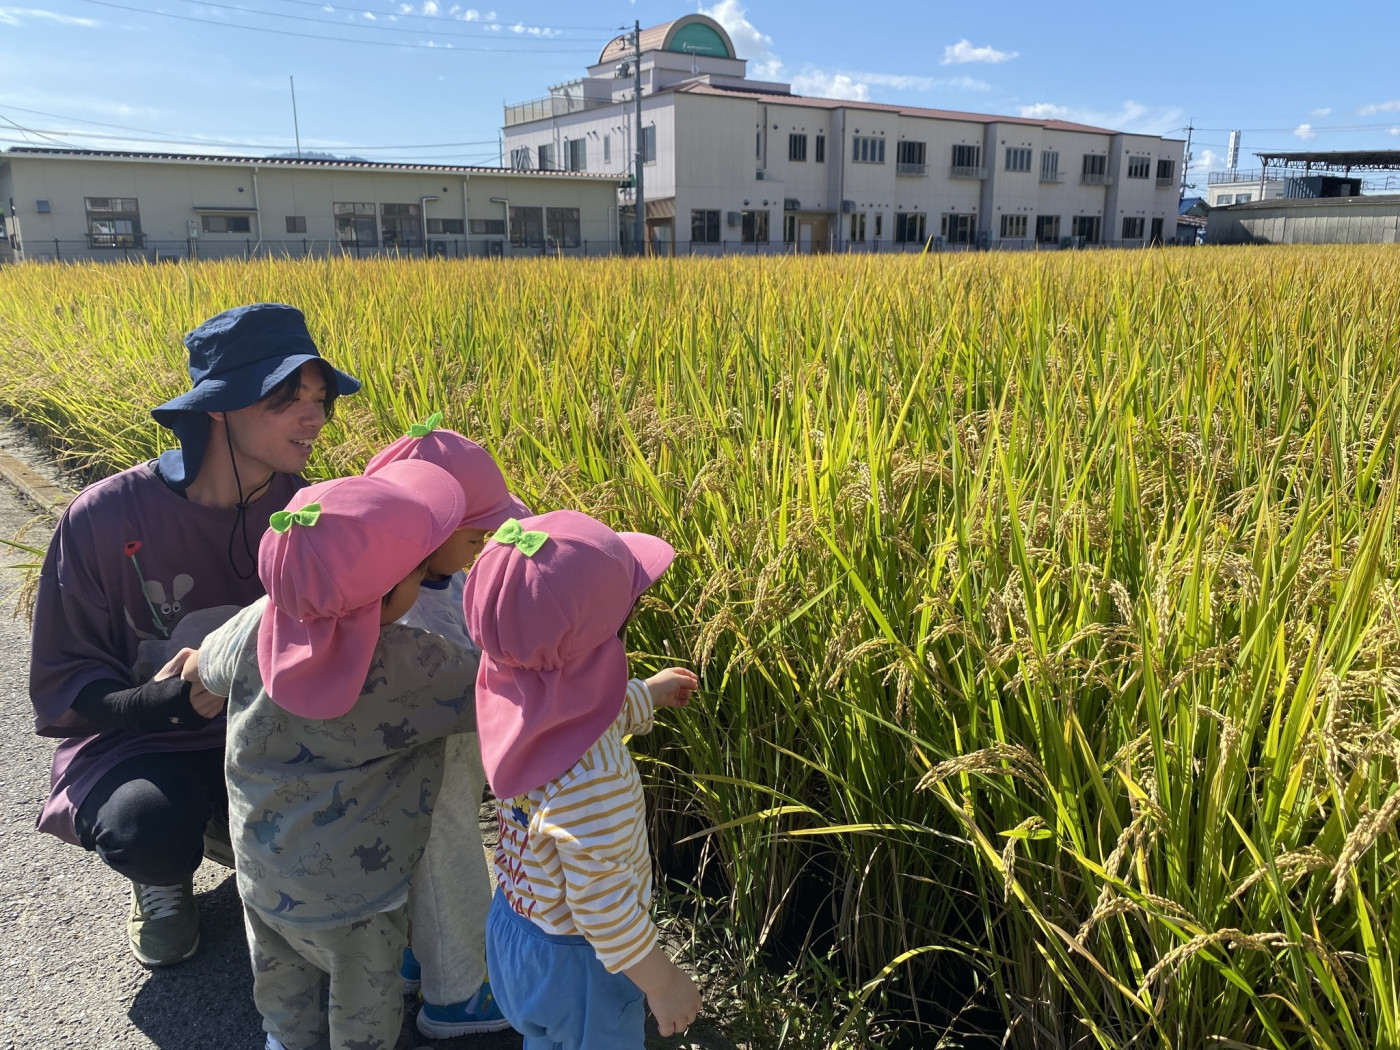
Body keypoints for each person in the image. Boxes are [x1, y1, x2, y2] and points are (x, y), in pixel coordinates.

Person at [27, 302, 360, 967]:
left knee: (365, 834)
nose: (314, 417)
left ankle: (236, 832)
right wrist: (160, 704)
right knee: (144, 826)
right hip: (146, 741)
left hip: (276, 733)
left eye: (320, 399)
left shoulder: (316, 514)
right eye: (285, 399)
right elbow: (70, 678)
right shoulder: (105, 516)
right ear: (218, 407)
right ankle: (162, 878)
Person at [191, 459, 481, 1050]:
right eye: (417, 568)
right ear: (389, 594)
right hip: (358, 896)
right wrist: (638, 694)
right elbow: (511, 698)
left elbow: (207, 668)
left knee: (285, 998)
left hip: (262, 871)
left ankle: (286, 1041)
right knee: (362, 1014)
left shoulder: (258, 622)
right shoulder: (414, 663)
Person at [462, 509, 703, 1048]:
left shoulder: (509, 696)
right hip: (581, 963)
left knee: (547, 1037)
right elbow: (603, 909)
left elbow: (580, 708)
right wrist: (665, 984)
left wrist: (646, 694)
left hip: (517, 925)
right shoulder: (596, 782)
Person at [363, 414, 527, 1038]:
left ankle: (418, 958)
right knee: (448, 860)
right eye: (472, 538)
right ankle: (457, 993)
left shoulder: (417, 577)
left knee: (418, 864)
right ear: (427, 533)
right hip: (439, 760)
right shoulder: (412, 617)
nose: (482, 548)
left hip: (431, 756)